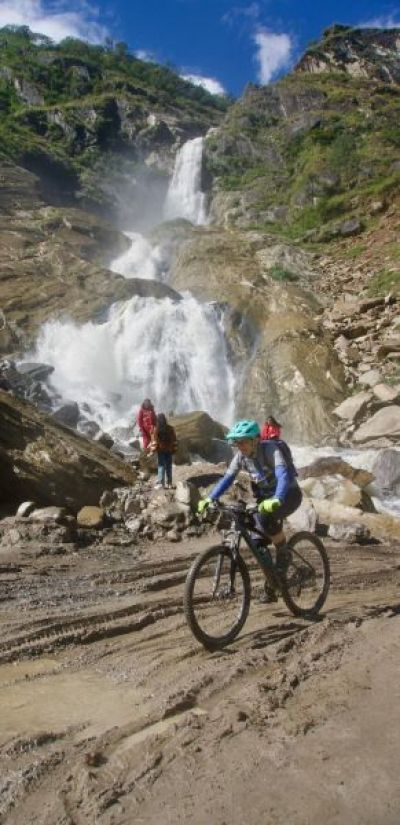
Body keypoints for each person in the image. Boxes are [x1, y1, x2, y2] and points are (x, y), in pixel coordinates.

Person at [198, 419, 302, 602]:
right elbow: (227, 479)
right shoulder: (240, 457)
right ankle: (273, 584)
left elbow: (283, 475)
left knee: (265, 516)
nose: (240, 446)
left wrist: (277, 498)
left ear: (255, 440)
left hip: (289, 494)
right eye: (237, 442)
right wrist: (210, 498)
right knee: (257, 542)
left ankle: (284, 552)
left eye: (244, 441)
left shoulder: (271, 449)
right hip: (265, 499)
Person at [150, 413, 177, 489]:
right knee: (169, 466)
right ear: (165, 419)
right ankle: (169, 483)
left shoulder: (157, 429)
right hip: (169, 450)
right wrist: (174, 450)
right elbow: (174, 440)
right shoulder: (171, 428)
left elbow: (154, 442)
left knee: (161, 466)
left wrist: (152, 451)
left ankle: (161, 483)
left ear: (157, 420)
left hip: (160, 450)